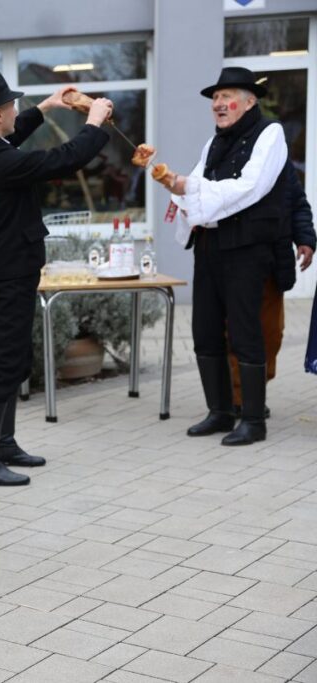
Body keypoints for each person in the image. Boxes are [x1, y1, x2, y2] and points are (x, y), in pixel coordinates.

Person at [0, 71, 112, 486]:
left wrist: (46, 107)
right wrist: (94, 122)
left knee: (15, 356)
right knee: (7, 361)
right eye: (13, 106)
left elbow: (10, 137)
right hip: (7, 272)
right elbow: (65, 159)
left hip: (1, 267)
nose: (16, 111)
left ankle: (3, 443)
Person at [159, 66, 290, 446]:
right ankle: (220, 411)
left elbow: (251, 187)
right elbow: (197, 186)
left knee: (246, 332)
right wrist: (176, 186)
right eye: (215, 98)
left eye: (226, 96)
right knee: (205, 330)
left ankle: (253, 420)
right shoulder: (213, 142)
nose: (218, 103)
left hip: (248, 250)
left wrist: (188, 186)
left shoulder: (270, 133)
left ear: (249, 102)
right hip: (210, 247)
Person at [228, 163, 314, 414]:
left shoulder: (280, 162)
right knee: (234, 331)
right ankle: (237, 398)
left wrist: (305, 239)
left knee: (271, 333)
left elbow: (297, 204)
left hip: (274, 262)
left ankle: (255, 391)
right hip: (236, 260)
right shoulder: (230, 156)